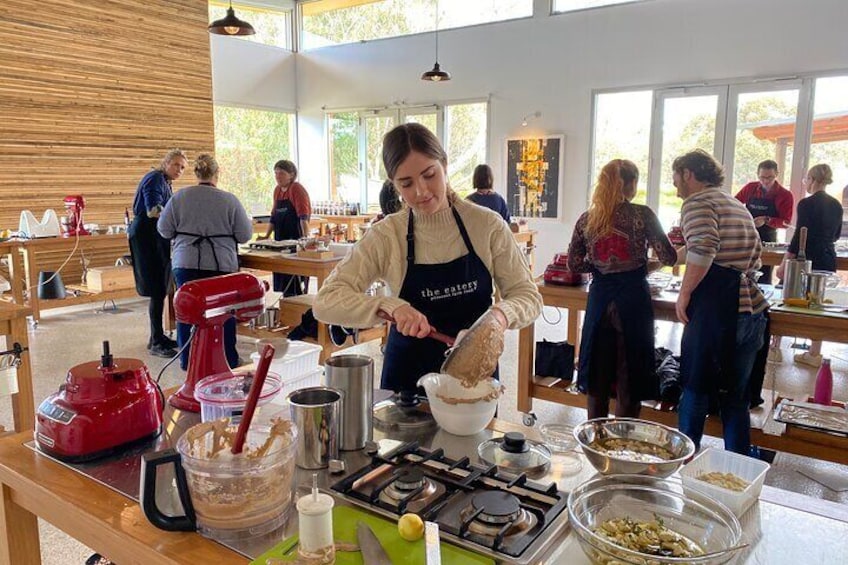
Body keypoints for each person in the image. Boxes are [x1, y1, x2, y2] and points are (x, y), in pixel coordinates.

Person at [313, 123, 542, 394]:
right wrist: (390, 307)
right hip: (406, 382)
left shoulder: (487, 225)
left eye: (429, 175)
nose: (421, 191)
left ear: (444, 165)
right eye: (406, 183)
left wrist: (497, 320)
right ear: (394, 184)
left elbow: (528, 296)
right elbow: (325, 302)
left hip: (473, 379)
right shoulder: (387, 235)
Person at [673, 149, 768, 455]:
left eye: (676, 178)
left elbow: (704, 248)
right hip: (751, 307)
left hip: (718, 309)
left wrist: (684, 293)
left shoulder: (697, 202)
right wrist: (673, 258)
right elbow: (742, 253)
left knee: (695, 389)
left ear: (688, 173)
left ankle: (682, 463)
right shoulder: (735, 204)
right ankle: (739, 467)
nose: (675, 187)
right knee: (735, 397)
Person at [567, 159, 676, 420]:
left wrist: (598, 264)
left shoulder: (587, 219)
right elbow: (669, 256)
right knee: (632, 373)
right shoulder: (642, 215)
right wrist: (645, 265)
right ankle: (624, 440)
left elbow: (574, 263)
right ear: (630, 184)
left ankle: (595, 436)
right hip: (633, 298)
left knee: (597, 374)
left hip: (601, 298)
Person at [158, 154, 253, 370]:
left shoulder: (179, 198)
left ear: (196, 174)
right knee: (225, 311)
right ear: (217, 174)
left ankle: (188, 360)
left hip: (186, 262)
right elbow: (244, 234)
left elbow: (164, 230)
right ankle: (227, 358)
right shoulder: (229, 200)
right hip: (220, 264)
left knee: (187, 310)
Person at [777, 164, 842, 367]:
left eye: (807, 179)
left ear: (812, 180)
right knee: (817, 304)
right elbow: (837, 235)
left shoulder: (806, 204)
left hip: (807, 256)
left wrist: (784, 263)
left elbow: (799, 236)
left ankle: (775, 347)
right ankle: (814, 353)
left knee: (789, 298)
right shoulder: (837, 206)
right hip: (827, 255)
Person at [128, 149, 187, 358]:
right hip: (146, 234)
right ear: (167, 162)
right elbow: (153, 210)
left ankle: (159, 335)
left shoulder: (166, 182)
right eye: (177, 165)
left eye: (182, 168)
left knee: (161, 288)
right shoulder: (154, 178)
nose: (179, 170)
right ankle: (155, 341)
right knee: (155, 288)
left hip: (156, 235)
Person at [734, 160, 793, 285]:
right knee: (743, 274)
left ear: (777, 174)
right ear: (757, 174)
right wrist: (744, 218)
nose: (766, 181)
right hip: (747, 237)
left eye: (770, 177)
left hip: (768, 239)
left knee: (764, 276)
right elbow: (734, 205)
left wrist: (766, 220)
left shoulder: (785, 195)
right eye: (762, 177)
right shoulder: (750, 188)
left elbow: (786, 223)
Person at [261, 160, 312, 296]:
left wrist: (305, 239)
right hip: (280, 240)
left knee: (293, 279)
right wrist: (266, 236)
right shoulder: (277, 190)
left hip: (294, 240)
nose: (278, 176)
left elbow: (303, 216)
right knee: (282, 277)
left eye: (281, 173)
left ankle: (294, 306)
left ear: (291, 175)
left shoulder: (296, 189)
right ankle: (288, 306)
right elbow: (273, 217)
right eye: (276, 173)